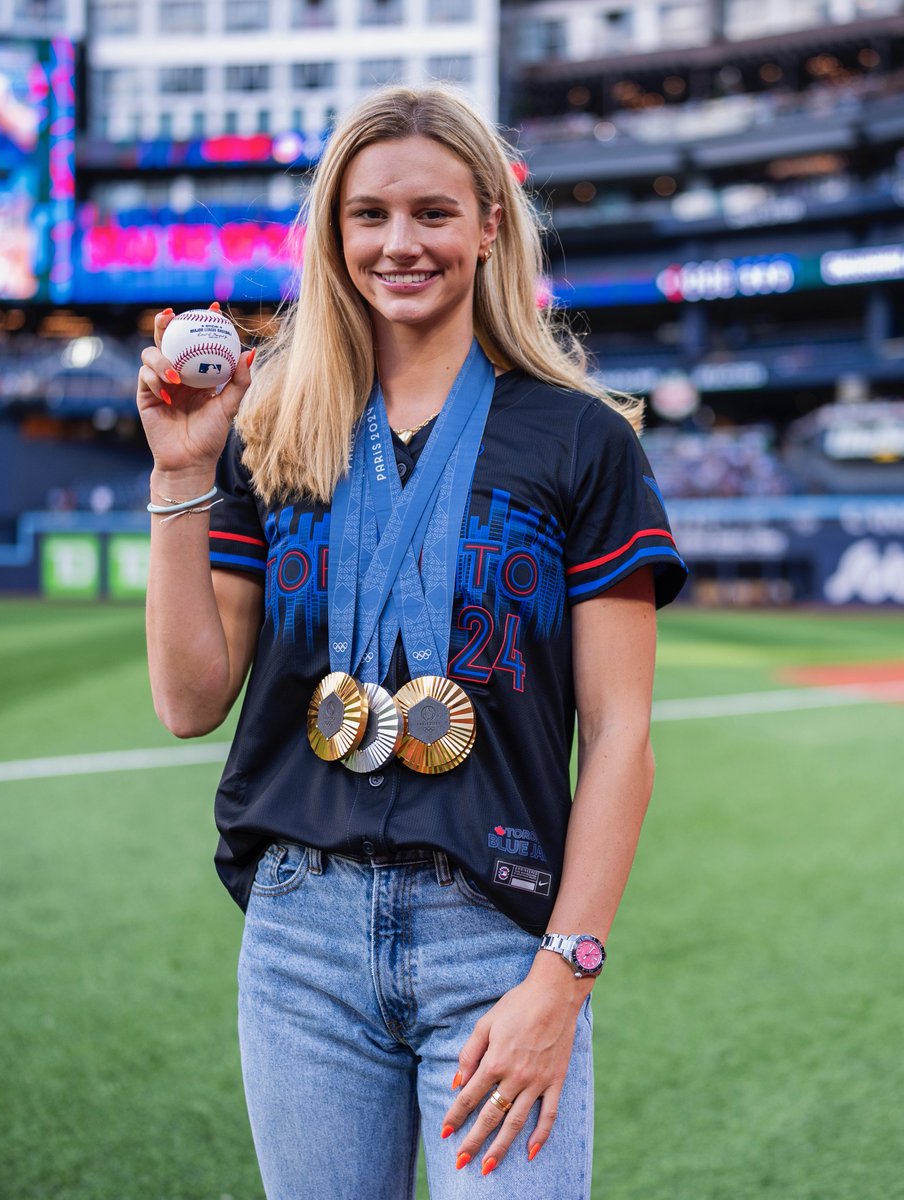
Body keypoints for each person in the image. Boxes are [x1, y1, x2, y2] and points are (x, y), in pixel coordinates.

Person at [137, 85, 686, 1200]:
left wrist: (563, 976)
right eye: (369, 215)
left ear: (489, 225)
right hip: (301, 937)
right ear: (334, 236)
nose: (400, 244)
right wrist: (182, 473)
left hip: (495, 934)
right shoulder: (273, 426)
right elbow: (191, 700)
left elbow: (623, 736)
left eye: (434, 213)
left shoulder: (580, 437)